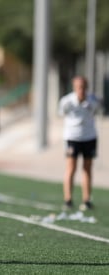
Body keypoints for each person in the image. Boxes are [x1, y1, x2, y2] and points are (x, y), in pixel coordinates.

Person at [58, 76, 99, 212]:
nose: (81, 90)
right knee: (71, 167)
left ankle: (87, 200)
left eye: (83, 87)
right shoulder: (67, 101)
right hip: (72, 137)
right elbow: (61, 113)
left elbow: (95, 112)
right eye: (78, 87)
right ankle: (68, 199)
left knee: (87, 168)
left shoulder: (93, 100)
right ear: (74, 87)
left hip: (89, 137)